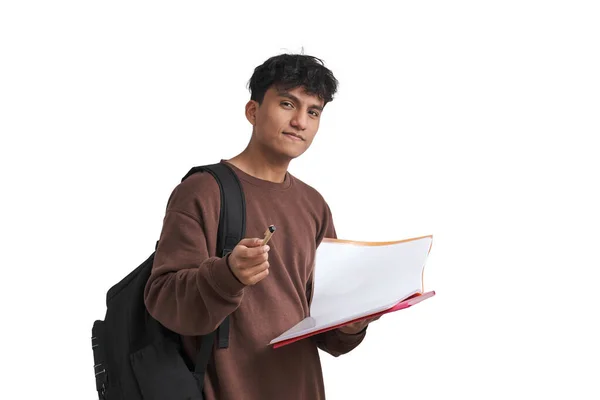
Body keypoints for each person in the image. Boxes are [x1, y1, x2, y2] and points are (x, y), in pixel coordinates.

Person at [144, 53, 379, 400]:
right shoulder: (203, 191)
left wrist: (351, 325)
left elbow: (324, 321)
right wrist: (228, 275)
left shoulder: (314, 205)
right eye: (288, 104)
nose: (300, 121)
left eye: (313, 111)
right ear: (253, 111)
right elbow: (162, 298)